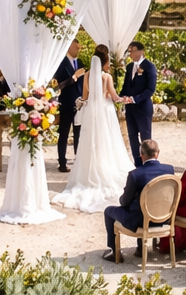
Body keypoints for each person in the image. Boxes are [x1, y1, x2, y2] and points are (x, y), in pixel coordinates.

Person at [55, 44, 133, 214]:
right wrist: (124, 99)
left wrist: (80, 103)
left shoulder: (87, 75)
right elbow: (114, 97)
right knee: (107, 141)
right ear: (105, 62)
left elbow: (84, 97)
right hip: (105, 112)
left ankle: (90, 172)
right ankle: (105, 170)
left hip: (91, 112)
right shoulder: (107, 77)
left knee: (92, 142)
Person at [104, 139, 175, 261]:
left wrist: (123, 200)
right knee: (141, 206)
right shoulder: (170, 170)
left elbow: (125, 202)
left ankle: (114, 252)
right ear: (157, 153)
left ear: (141, 155)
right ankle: (140, 248)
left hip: (141, 221)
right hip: (164, 218)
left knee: (109, 211)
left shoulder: (135, 174)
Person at [119, 41, 157, 164]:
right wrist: (122, 96)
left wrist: (135, 99)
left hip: (143, 107)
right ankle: (137, 162)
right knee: (132, 136)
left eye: (133, 51)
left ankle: (148, 162)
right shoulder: (130, 67)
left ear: (141, 51)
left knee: (145, 137)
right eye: (129, 51)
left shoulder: (149, 66)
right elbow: (126, 86)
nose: (131, 54)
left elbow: (150, 89)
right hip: (130, 109)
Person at [53, 40, 85, 173]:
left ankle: (79, 161)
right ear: (70, 46)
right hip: (66, 103)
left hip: (80, 104)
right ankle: (62, 162)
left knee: (79, 133)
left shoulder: (81, 63)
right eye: (76, 47)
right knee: (64, 133)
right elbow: (59, 85)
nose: (78, 50)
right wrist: (74, 77)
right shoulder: (61, 63)